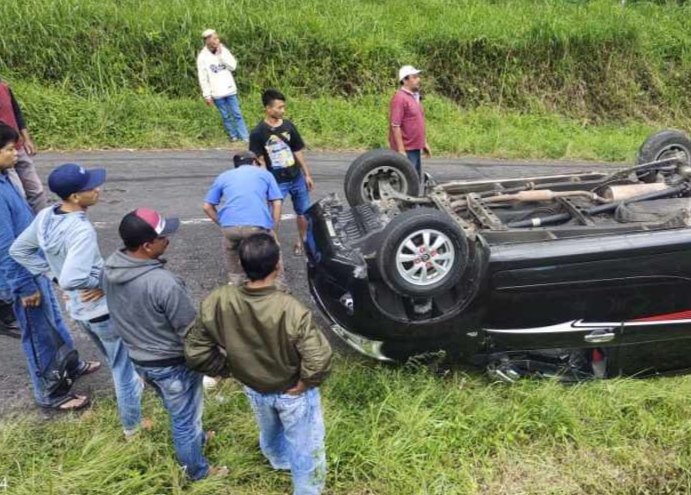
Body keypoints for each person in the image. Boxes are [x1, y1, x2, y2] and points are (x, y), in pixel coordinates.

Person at [185, 233, 332, 495]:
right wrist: (305, 383)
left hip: (252, 386)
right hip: (291, 391)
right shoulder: (291, 309)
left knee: (270, 429)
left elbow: (196, 351)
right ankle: (307, 489)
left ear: (241, 265)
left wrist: (227, 370)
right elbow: (318, 357)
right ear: (278, 266)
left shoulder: (218, 300)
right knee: (306, 446)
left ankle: (278, 461)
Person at [10, 163, 146, 438]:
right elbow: (73, 277)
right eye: (90, 188)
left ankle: (135, 394)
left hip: (79, 309)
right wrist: (100, 283)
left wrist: (51, 274)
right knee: (123, 369)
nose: (97, 190)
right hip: (100, 310)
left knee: (115, 358)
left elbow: (20, 249)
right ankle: (133, 426)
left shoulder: (48, 215)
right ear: (74, 197)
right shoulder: (81, 230)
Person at [102, 208, 226, 480]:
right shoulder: (164, 284)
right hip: (171, 365)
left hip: (140, 359)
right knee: (185, 421)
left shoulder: (111, 266)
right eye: (163, 236)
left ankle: (197, 439)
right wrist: (216, 364)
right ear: (147, 246)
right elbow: (191, 333)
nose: (168, 239)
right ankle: (198, 472)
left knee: (178, 409)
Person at [0, 123, 99, 411]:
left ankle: (71, 364)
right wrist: (24, 286)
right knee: (38, 334)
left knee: (54, 320)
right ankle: (51, 392)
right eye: (8, 150)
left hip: (36, 268)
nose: (15, 155)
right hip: (23, 276)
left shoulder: (5, 177)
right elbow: (5, 246)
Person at [249, 89, 315, 256]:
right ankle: (273, 244)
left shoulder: (288, 126)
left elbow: (297, 150)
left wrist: (306, 174)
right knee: (273, 216)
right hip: (277, 181)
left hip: (296, 177)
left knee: (303, 213)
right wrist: (265, 183)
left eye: (283, 107)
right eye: (279, 107)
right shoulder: (258, 133)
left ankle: (302, 241)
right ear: (268, 109)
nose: (283, 111)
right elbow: (260, 160)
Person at [202, 150, 283, 285]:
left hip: (230, 227)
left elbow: (207, 206)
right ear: (253, 162)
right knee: (272, 248)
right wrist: (273, 227)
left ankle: (236, 281)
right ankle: (279, 283)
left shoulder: (224, 176)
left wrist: (223, 223)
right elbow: (277, 202)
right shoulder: (265, 174)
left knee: (231, 249)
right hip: (256, 225)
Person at [0, 78, 48, 212]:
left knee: (36, 190)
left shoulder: (4, 87)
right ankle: (22, 227)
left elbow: (17, 113)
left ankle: (40, 225)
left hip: (17, 146)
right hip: (3, 150)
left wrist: (26, 139)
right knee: (17, 193)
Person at [197, 29, 249, 142]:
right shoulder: (202, 57)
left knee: (237, 114)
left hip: (230, 89)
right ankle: (233, 136)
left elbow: (233, 66)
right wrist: (207, 95)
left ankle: (245, 136)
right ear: (207, 41)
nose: (217, 41)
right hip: (216, 93)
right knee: (225, 116)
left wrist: (221, 56)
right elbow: (203, 77)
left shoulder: (224, 50)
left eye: (217, 38)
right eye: (214, 39)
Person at [389, 65, 431, 179]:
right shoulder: (400, 98)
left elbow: (418, 122)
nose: (418, 79)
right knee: (408, 180)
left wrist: (424, 143)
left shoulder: (414, 97)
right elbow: (395, 125)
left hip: (415, 147)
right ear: (405, 80)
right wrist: (401, 151)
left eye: (418, 77)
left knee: (415, 179)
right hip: (407, 148)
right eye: (414, 77)